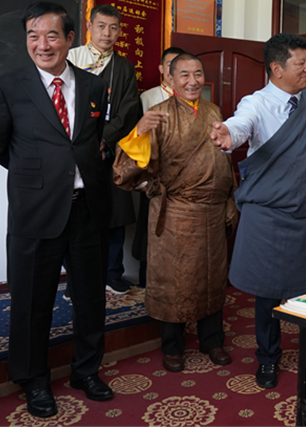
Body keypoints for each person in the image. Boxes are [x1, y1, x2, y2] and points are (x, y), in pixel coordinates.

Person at [0, 2, 114, 418]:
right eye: (33, 36)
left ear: (70, 39)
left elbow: (90, 142)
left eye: (52, 35)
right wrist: (41, 177)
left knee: (90, 300)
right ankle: (33, 379)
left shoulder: (93, 86)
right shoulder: (7, 86)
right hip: (36, 212)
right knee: (31, 301)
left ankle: (86, 371)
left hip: (87, 210)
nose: (42, 44)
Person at [210, 33, 306, 390]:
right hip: (267, 219)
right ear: (276, 68)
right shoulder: (255, 103)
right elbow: (242, 124)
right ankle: (268, 358)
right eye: (301, 64)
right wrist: (229, 134)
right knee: (267, 294)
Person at [113, 53, 234, 373]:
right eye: (184, 75)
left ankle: (212, 340)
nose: (193, 81)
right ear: (169, 77)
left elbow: (223, 159)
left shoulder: (213, 111)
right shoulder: (159, 114)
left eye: (198, 74)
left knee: (212, 278)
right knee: (173, 281)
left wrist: (228, 199)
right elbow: (126, 171)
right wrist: (139, 132)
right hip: (176, 214)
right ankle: (173, 345)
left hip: (211, 212)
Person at [68, 4, 142, 295]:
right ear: (89, 27)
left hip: (108, 152)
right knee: (77, 215)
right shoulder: (71, 58)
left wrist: (105, 139)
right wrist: (83, 140)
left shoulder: (124, 67)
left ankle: (112, 274)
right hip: (75, 150)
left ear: (120, 31)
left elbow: (129, 111)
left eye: (113, 27)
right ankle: (76, 280)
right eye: (101, 26)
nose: (107, 33)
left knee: (114, 213)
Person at [132, 46, 185, 287]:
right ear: (162, 68)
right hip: (154, 180)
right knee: (150, 234)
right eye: (170, 65)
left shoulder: (192, 97)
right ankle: (146, 284)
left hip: (182, 183)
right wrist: (143, 182)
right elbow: (138, 141)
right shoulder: (147, 98)